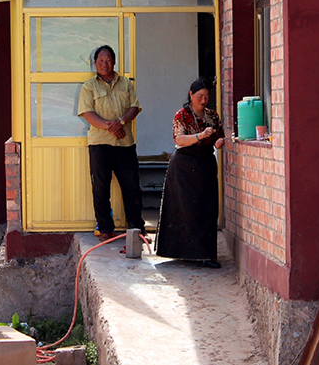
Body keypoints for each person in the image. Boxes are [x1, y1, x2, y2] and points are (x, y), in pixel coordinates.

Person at [77, 45, 146, 242]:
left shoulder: (126, 83)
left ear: (114, 62)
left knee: (132, 187)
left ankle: (136, 227)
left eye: (108, 60)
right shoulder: (89, 86)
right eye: (100, 61)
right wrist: (110, 126)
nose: (104, 64)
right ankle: (106, 229)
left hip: (125, 144)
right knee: (100, 188)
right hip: (100, 144)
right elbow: (88, 113)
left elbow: (135, 107)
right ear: (95, 63)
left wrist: (121, 122)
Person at [156, 79, 225, 268]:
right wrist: (200, 136)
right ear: (190, 95)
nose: (203, 101)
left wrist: (218, 142)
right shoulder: (182, 115)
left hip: (205, 164)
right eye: (200, 96)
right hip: (184, 166)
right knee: (185, 209)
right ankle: (182, 252)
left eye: (207, 97)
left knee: (207, 208)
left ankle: (206, 254)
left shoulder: (212, 116)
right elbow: (179, 139)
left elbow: (219, 136)